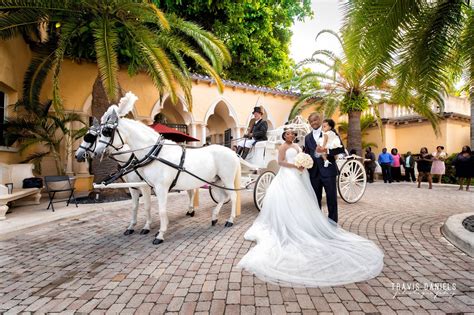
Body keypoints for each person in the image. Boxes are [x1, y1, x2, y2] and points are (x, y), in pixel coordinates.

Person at [237, 128, 384, 287]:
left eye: (292, 134)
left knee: (304, 199)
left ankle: (303, 224)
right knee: (290, 199)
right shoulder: (283, 147)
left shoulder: (297, 147)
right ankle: (288, 224)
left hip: (301, 175)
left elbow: (305, 156)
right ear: (284, 136)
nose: (291, 135)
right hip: (288, 175)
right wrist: (295, 165)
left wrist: (304, 163)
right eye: (288, 134)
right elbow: (280, 162)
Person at [304, 113, 344, 223]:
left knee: (331, 200)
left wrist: (326, 151)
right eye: (311, 121)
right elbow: (307, 152)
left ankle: (332, 224)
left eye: (316, 119)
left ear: (321, 119)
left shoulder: (330, 132)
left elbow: (341, 149)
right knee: (315, 200)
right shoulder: (307, 138)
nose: (314, 122)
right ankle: (318, 224)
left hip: (328, 171)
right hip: (314, 173)